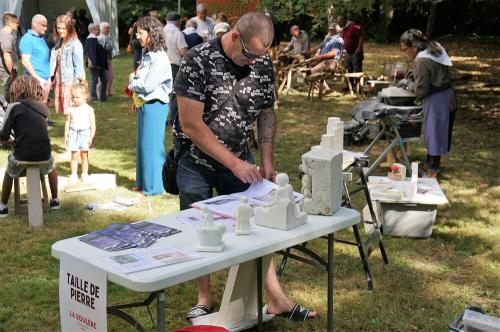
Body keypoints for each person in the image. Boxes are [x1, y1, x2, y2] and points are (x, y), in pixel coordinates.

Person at [174, 12, 317, 321]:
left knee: (256, 227)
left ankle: (276, 298)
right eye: (250, 54)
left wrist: (265, 159)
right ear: (236, 35)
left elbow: (266, 113)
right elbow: (191, 124)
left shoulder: (261, 62)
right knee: (201, 227)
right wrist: (234, 163)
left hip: (242, 159)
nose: (254, 62)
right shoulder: (198, 59)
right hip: (196, 161)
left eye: (261, 55)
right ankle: (204, 297)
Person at [400, 29, 456, 178]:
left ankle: (432, 171)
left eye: (405, 49)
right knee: (434, 134)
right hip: (446, 95)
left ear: (414, 46)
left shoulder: (421, 60)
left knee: (435, 136)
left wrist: (407, 85)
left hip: (437, 99)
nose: (405, 53)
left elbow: (421, 89)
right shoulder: (435, 48)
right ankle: (430, 165)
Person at [0, 76, 60, 217]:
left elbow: (3, 135)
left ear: (15, 90)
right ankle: (55, 200)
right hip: (44, 154)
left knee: (9, 171)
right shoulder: (43, 107)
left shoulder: (13, 107)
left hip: (22, 154)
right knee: (51, 166)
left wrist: (10, 141)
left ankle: (2, 206)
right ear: (36, 89)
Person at [128, 16, 172, 195]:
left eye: (141, 33)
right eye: (137, 32)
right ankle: (143, 183)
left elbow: (148, 85)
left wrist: (132, 83)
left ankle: (153, 188)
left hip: (155, 105)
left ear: (151, 34)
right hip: (146, 104)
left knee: (152, 147)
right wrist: (136, 99)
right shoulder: (149, 54)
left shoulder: (159, 57)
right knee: (143, 146)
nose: (137, 36)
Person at [49, 14, 85, 114]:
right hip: (60, 79)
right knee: (67, 112)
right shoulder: (59, 42)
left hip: (70, 82)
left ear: (69, 28)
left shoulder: (75, 44)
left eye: (63, 28)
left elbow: (79, 68)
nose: (60, 31)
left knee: (73, 111)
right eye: (58, 28)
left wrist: (76, 87)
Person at [64, 82, 95, 184]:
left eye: (77, 97)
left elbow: (92, 124)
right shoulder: (71, 109)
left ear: (85, 96)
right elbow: (68, 122)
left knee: (84, 155)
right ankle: (73, 174)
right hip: (73, 133)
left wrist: (91, 136)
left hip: (85, 133)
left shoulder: (89, 109)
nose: (75, 99)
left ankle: (84, 174)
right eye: (73, 97)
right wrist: (66, 135)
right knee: (74, 155)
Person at [19, 14, 51, 104]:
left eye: (46, 26)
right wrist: (37, 78)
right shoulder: (27, 39)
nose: (45, 28)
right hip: (34, 81)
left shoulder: (41, 38)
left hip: (45, 80)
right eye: (43, 25)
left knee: (42, 108)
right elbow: (25, 61)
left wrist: (48, 78)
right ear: (35, 24)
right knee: (34, 108)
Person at [163, 12, 188, 126]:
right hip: (173, 65)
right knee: (174, 93)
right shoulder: (177, 33)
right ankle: (171, 118)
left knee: (162, 92)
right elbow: (183, 52)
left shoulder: (160, 32)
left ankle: (161, 118)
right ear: (177, 21)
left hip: (160, 65)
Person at [85, 23, 107, 102]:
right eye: (97, 29)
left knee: (104, 79)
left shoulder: (94, 39)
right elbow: (91, 53)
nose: (98, 31)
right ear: (92, 30)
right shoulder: (91, 39)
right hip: (96, 64)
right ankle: (94, 97)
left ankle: (103, 96)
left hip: (99, 63)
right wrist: (95, 63)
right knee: (94, 80)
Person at [0, 13, 19, 101]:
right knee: (8, 98)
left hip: (6, 71)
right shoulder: (5, 36)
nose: (18, 25)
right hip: (6, 72)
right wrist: (11, 73)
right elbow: (6, 56)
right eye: (17, 22)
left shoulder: (3, 34)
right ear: (10, 23)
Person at [97, 22, 113, 97]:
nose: (108, 29)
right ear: (102, 29)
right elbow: (99, 50)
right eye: (106, 28)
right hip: (103, 60)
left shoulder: (107, 37)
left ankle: (107, 91)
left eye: (108, 28)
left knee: (110, 77)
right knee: (103, 77)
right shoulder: (100, 38)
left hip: (108, 59)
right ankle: (99, 92)